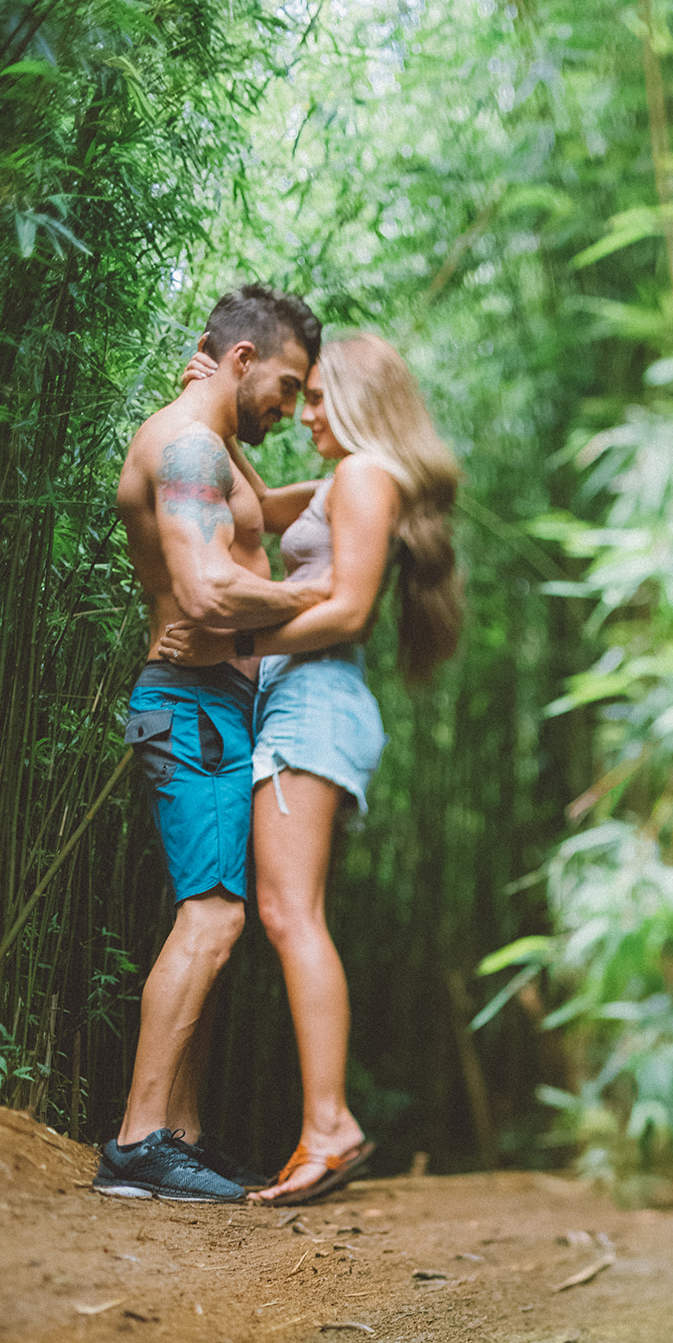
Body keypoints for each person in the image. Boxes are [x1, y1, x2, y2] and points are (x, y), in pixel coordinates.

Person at [157, 332, 462, 1205]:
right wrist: (213, 397)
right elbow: (258, 503)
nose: (308, 414)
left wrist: (233, 637)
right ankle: (325, 1121)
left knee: (293, 914)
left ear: (363, 403)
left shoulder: (367, 477)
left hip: (315, 700)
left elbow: (349, 613)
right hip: (305, 702)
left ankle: (329, 1124)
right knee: (293, 912)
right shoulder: (344, 482)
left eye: (323, 398)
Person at [95, 284, 327, 1204]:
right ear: (239, 362)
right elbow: (205, 591)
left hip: (208, 704)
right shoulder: (190, 446)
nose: (290, 405)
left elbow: (261, 518)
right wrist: (321, 600)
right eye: (286, 383)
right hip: (191, 700)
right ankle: (139, 1140)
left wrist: (360, 485)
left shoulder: (209, 443)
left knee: (212, 907)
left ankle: (179, 1136)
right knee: (217, 916)